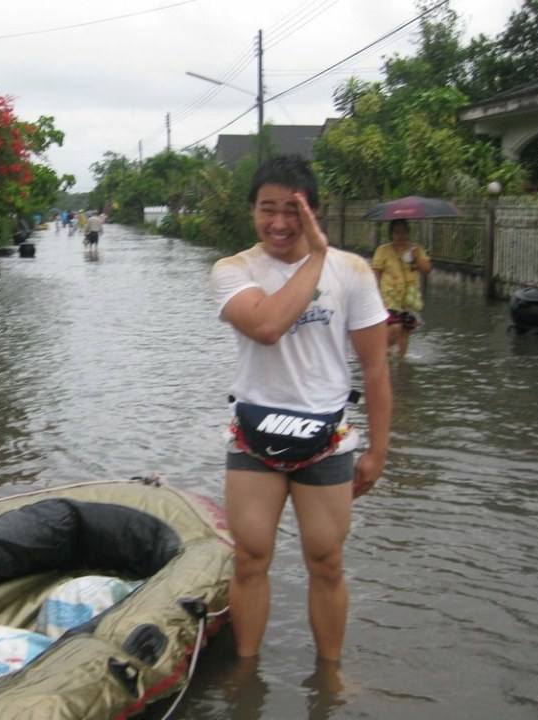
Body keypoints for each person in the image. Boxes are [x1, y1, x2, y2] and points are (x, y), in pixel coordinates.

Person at [209, 155, 391, 664]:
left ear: (312, 210)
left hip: (328, 439)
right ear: (252, 211)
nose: (281, 223)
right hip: (252, 437)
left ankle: (329, 676)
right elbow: (266, 327)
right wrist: (316, 256)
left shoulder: (352, 272)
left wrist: (379, 450)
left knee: (327, 561)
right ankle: (247, 673)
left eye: (294, 210)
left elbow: (376, 368)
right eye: (268, 209)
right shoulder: (234, 270)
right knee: (250, 558)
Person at [371, 219, 433, 357]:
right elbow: (376, 273)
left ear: (408, 233)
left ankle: (400, 362)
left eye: (404, 232)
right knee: (395, 327)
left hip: (409, 298)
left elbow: (427, 269)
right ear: (391, 234)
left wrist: (417, 257)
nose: (400, 236)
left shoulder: (416, 250)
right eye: (397, 232)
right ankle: (381, 351)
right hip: (389, 296)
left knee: (405, 331)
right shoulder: (383, 250)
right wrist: (374, 296)